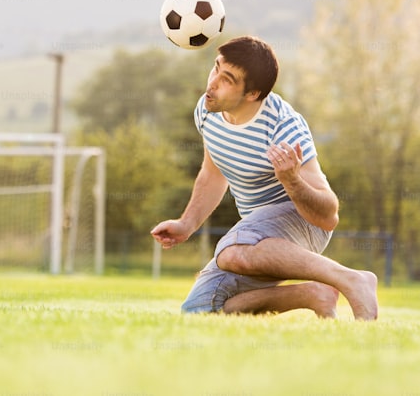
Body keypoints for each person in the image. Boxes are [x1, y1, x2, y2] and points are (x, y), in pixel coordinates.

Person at [151, 35, 378, 319]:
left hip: (301, 221)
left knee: (231, 250)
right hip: (253, 236)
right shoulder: (208, 110)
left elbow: (328, 215)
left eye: (227, 80)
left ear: (252, 94)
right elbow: (213, 172)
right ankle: (312, 294)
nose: (212, 84)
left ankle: (351, 279)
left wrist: (292, 181)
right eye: (215, 68)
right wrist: (187, 224)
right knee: (198, 312)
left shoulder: (283, 127)